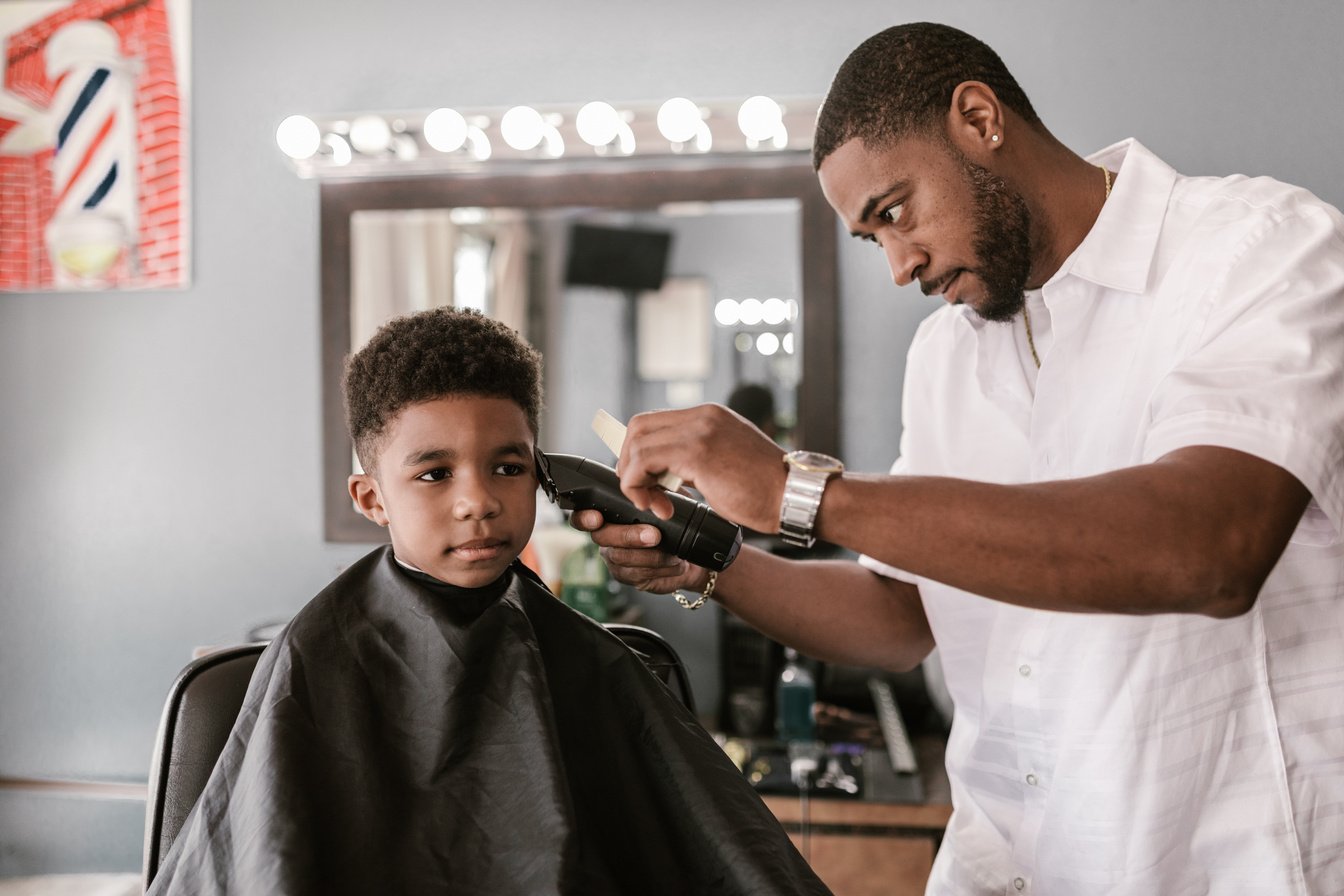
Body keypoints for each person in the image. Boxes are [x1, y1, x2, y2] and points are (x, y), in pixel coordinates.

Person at [576, 22, 1344, 896]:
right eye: (871, 240)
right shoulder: (947, 356)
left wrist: (796, 490)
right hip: (1006, 866)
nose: (899, 267)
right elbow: (906, 615)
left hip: (1220, 867)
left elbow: (1207, 549)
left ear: (978, 118)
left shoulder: (1257, 248)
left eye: (893, 212)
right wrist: (711, 559)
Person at [149, 307, 828, 896]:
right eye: (435, 473)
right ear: (371, 498)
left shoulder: (592, 662)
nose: (477, 500)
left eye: (508, 468)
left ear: (544, 475)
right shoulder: (315, 657)